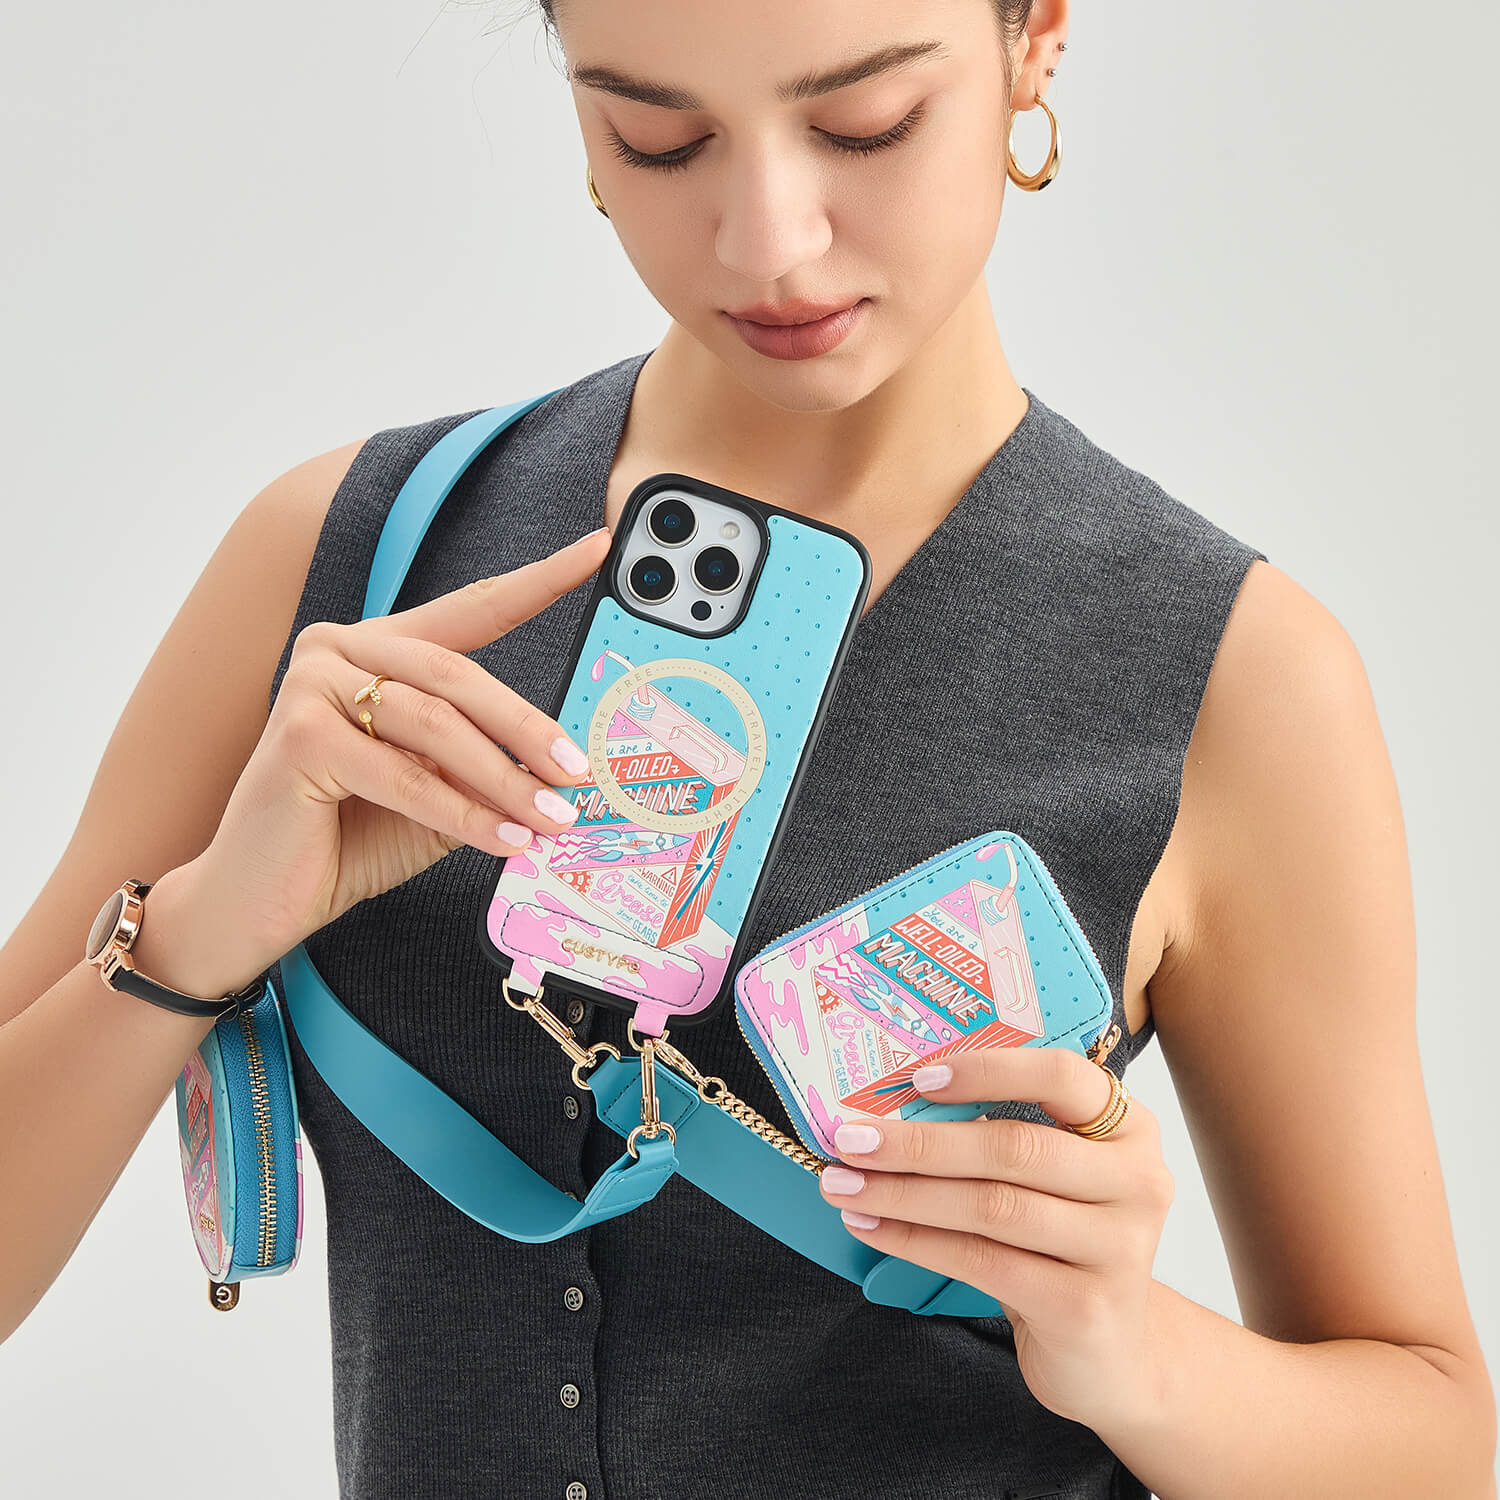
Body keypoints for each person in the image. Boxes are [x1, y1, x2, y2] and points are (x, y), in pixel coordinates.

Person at [1, 0, 1494, 1496]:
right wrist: (193, 940)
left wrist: (1140, 1354)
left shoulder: (1235, 677)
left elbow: (1434, 1440)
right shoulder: (354, 563)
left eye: (864, 125)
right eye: (661, 137)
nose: (768, 242)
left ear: (1034, 36)